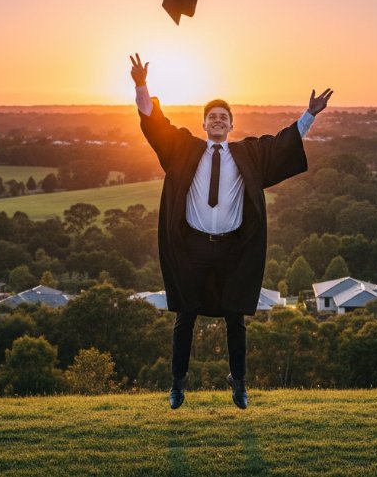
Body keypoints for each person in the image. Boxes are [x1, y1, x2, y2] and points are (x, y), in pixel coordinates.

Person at [129, 53, 332, 409]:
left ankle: (239, 384)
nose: (218, 121)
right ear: (204, 124)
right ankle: (177, 384)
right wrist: (141, 84)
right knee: (185, 316)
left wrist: (310, 115)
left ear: (231, 124)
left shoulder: (248, 155)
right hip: (191, 248)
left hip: (232, 251)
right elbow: (153, 121)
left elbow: (284, 142)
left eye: (223, 117)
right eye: (212, 117)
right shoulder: (184, 149)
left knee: (235, 318)